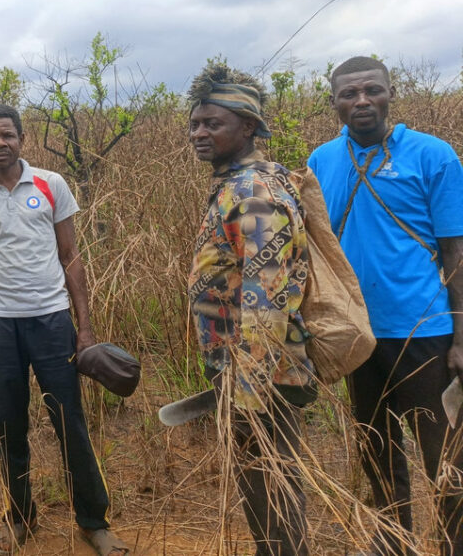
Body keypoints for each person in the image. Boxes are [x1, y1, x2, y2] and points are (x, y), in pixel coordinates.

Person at [0, 104, 127, 556]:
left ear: (22, 138)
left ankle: (94, 522)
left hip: (53, 322)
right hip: (1, 327)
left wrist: (84, 328)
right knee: (8, 426)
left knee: (70, 423)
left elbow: (71, 254)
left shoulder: (51, 185)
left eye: (7, 135)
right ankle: (20, 517)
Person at [308, 56, 463, 556]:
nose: (360, 102)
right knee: (375, 445)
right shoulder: (321, 162)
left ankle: (453, 542)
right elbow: (315, 249)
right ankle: (392, 540)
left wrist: (461, 338)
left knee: (445, 453)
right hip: (356, 335)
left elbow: (456, 253)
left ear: (390, 93)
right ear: (332, 103)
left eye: (371, 90)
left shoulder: (433, 156)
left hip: (425, 330)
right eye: (348, 94)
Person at [186, 63, 316, 556]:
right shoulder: (237, 183)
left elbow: (268, 300)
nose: (199, 133)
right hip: (246, 371)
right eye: (195, 124)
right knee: (261, 486)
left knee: (272, 487)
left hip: (261, 377)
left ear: (248, 127)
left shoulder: (253, 193)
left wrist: (246, 393)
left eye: (212, 124)